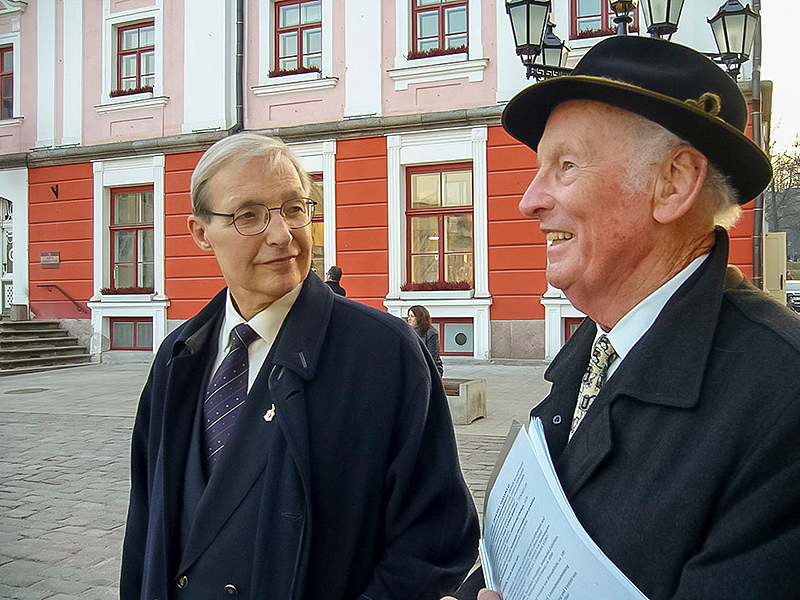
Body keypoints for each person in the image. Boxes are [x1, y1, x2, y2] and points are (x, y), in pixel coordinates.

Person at [451, 36, 800, 600]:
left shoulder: (782, 396)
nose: (529, 200)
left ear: (674, 183)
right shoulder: (594, 348)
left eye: (565, 166)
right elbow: (517, 558)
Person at [120, 133, 479, 600]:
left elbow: (435, 541)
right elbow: (146, 524)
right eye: (248, 216)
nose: (282, 235)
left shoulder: (384, 353)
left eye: (294, 208)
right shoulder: (177, 357)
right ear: (200, 232)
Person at [408, 305, 444, 377]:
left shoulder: (430, 333)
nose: (409, 319)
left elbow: (432, 357)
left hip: (429, 370)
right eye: (408, 316)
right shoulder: (408, 332)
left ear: (419, 318)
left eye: (412, 316)